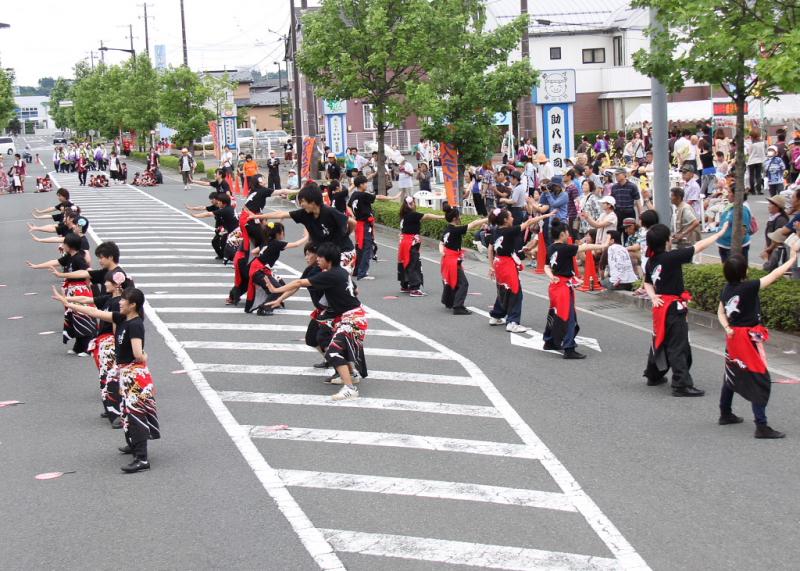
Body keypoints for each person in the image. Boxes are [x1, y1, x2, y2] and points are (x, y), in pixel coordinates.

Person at [53, 287, 159, 471]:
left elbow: (137, 353)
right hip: (126, 372)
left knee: (135, 414)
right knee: (126, 411)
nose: (120, 302)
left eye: (123, 300)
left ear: (133, 305)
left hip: (134, 374)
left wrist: (145, 356)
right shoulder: (122, 318)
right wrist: (69, 303)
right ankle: (133, 445)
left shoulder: (135, 324)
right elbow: (95, 312)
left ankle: (142, 459)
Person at [263, 243, 368, 401]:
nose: (317, 259)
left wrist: (275, 290)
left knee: (333, 350)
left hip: (351, 318)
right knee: (325, 344)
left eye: (320, 257)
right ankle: (350, 378)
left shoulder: (330, 274)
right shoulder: (340, 271)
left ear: (329, 259)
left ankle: (350, 387)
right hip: (346, 316)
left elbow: (299, 283)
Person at [717, 242, 799, 437]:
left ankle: (725, 413)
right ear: (744, 271)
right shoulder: (749, 287)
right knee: (759, 378)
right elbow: (775, 275)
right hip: (747, 339)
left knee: (733, 372)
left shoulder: (727, 289)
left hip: (733, 336)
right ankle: (761, 425)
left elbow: (720, 312)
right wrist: (793, 258)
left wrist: (727, 327)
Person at [642, 222, 730, 396]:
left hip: (660, 308)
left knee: (659, 340)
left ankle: (654, 374)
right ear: (667, 241)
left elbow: (647, 282)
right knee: (678, 345)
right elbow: (698, 246)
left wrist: (653, 296)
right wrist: (719, 234)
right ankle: (681, 384)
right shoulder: (671, 257)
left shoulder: (652, 260)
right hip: (673, 308)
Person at [254, 183, 357, 274]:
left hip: (345, 252)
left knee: (334, 279)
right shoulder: (304, 214)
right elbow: (281, 213)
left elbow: (352, 222)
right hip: (329, 254)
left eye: (302, 201)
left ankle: (351, 291)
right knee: (312, 276)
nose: (301, 204)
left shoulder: (329, 212)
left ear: (312, 201)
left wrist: (346, 233)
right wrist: (257, 216)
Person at [543, 219, 607, 358]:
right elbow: (584, 247)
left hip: (555, 285)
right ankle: (569, 348)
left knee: (554, 313)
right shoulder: (565, 248)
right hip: (563, 287)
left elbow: (546, 266)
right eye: (567, 232)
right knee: (568, 317)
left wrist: (551, 276)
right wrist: (603, 244)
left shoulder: (551, 248)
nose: (568, 234)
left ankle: (549, 341)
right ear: (562, 234)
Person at [487, 207, 555, 332]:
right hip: (506, 265)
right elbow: (529, 222)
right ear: (506, 220)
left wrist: (491, 266)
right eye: (511, 216)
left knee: (503, 289)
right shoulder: (510, 230)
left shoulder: (496, 231)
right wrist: (546, 216)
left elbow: (491, 249)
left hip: (498, 263)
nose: (513, 218)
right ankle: (512, 322)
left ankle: (496, 315)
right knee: (515, 292)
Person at [27, 233, 94, 356]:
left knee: (82, 318)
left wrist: (64, 276)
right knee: (73, 318)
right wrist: (37, 266)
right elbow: (55, 262)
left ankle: (88, 348)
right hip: (71, 290)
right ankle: (79, 346)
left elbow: (85, 272)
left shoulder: (79, 258)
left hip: (80, 291)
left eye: (64, 244)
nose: (62, 246)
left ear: (70, 246)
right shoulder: (69, 257)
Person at [245, 222, 307, 315]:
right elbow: (296, 244)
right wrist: (306, 236)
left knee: (280, 286)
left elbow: (254, 251)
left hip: (258, 269)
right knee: (277, 288)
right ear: (278, 234)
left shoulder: (267, 242)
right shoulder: (276, 243)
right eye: (282, 232)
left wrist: (264, 258)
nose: (283, 234)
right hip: (259, 271)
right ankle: (264, 308)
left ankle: (273, 302)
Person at [440, 205, 487, 315]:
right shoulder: (456, 230)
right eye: (459, 216)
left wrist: (442, 252)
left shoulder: (446, 229)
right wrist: (489, 218)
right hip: (452, 260)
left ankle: (448, 301)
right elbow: (474, 224)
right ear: (455, 218)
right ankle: (458, 306)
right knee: (463, 283)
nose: (460, 217)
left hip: (447, 259)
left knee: (451, 281)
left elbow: (441, 243)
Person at [347, 174, 395, 281]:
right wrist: (393, 197)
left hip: (358, 224)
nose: (366, 185)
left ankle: (357, 270)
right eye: (365, 183)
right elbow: (378, 197)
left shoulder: (354, 194)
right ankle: (362, 273)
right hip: (364, 224)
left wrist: (352, 215)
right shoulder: (363, 195)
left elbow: (348, 206)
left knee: (360, 248)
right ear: (361, 185)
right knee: (366, 248)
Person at [398, 196, 444, 296]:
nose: (415, 204)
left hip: (405, 242)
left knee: (405, 263)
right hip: (411, 242)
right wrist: (441, 217)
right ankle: (414, 288)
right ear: (411, 204)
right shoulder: (412, 214)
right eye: (414, 202)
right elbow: (427, 216)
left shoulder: (404, 215)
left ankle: (405, 285)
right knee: (413, 264)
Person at [187, 192, 239, 259]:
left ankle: (231, 258)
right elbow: (204, 208)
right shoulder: (224, 208)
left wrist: (196, 216)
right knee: (216, 242)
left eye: (219, 201)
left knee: (225, 243)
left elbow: (208, 214)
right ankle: (223, 256)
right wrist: (192, 208)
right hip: (225, 229)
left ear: (224, 203)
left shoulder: (225, 210)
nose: (217, 203)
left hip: (233, 230)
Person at [716, 185, 752, 262]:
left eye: (729, 192)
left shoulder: (742, 210)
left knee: (736, 270)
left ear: (735, 195)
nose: (727, 194)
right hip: (724, 245)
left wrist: (736, 249)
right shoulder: (731, 206)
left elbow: (743, 230)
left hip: (733, 248)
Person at [761, 195, 789, 270]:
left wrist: (768, 250)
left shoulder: (781, 220)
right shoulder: (773, 217)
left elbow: (777, 240)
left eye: (770, 204)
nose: (768, 206)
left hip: (775, 248)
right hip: (771, 247)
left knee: (769, 267)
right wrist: (766, 247)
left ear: (777, 207)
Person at [746, 128, 766, 195]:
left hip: (751, 161)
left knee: (751, 175)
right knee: (758, 175)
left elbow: (749, 152)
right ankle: (759, 190)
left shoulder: (751, 144)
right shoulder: (762, 144)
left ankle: (752, 190)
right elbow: (763, 152)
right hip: (759, 160)